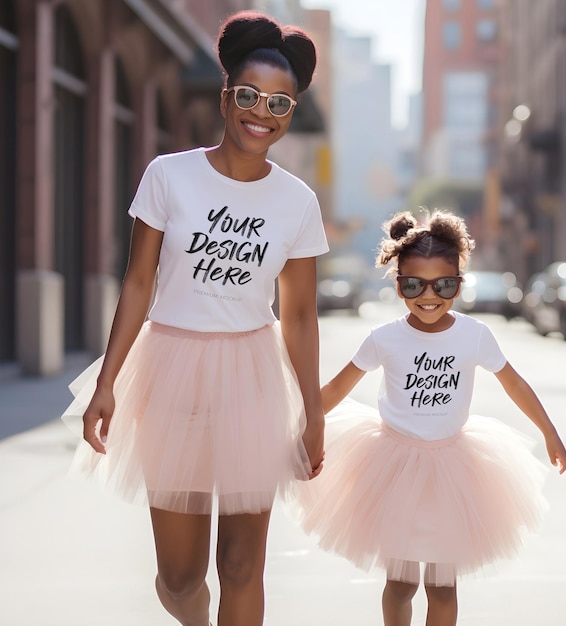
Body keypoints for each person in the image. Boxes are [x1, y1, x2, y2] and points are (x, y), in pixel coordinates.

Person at [61, 10, 327, 626]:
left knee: (243, 568)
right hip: (172, 370)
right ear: (226, 93)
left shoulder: (297, 202)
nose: (263, 113)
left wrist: (312, 410)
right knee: (179, 578)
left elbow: (302, 317)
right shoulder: (168, 175)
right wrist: (106, 384)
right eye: (250, 95)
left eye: (281, 104)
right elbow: (136, 284)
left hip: (253, 377)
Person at [289, 209, 566, 626]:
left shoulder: (474, 335)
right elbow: (333, 390)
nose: (429, 295)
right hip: (393, 468)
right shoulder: (384, 338)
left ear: (459, 282)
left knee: (443, 587)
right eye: (414, 284)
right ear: (398, 283)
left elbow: (514, 384)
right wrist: (299, 430)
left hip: (452, 470)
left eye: (444, 284)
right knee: (401, 584)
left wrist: (549, 432)